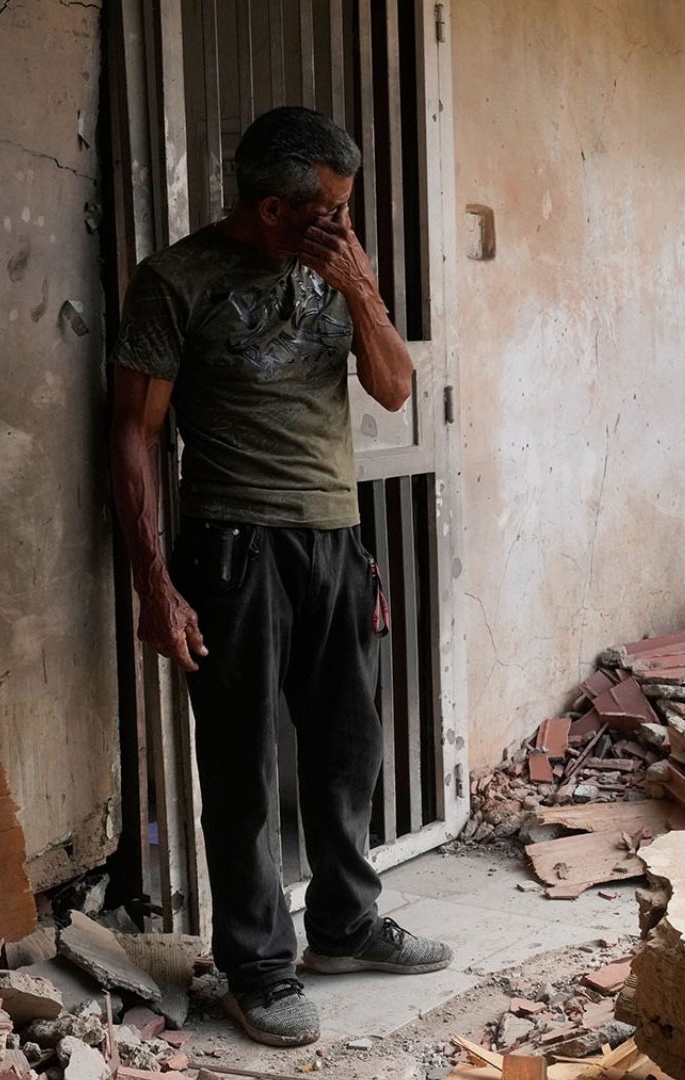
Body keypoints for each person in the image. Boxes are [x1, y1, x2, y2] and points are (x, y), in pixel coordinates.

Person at [110, 106, 450, 1047]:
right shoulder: (177, 281)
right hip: (232, 547)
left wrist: (362, 289)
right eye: (330, 211)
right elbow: (134, 436)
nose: (344, 223)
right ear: (272, 208)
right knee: (243, 765)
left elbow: (394, 387)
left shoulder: (341, 268)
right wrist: (153, 584)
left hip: (335, 537)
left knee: (348, 748)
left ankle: (345, 925)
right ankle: (257, 967)